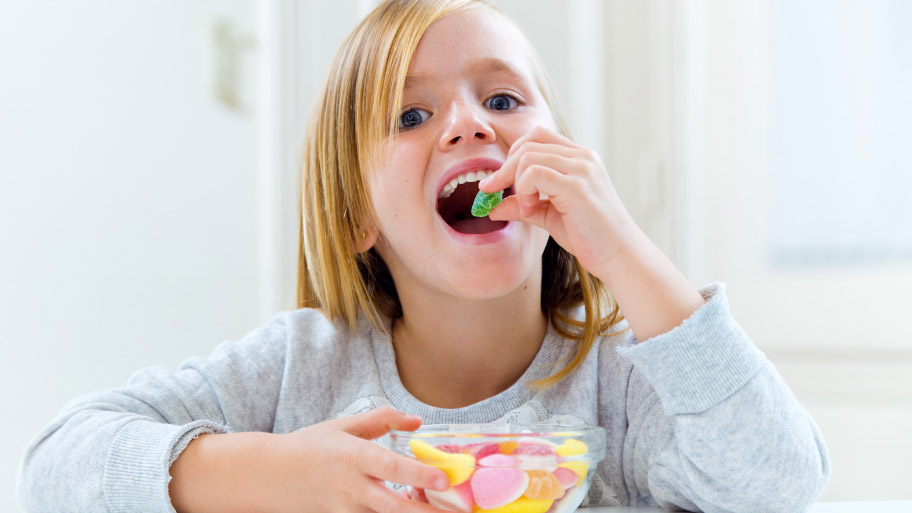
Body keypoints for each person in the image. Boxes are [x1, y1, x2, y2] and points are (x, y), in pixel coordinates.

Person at [17, 1, 831, 512]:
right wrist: (278, 476)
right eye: (411, 115)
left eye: (504, 99)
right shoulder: (300, 370)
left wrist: (622, 246)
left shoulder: (620, 385)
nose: (470, 124)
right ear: (355, 218)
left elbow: (778, 483)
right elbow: (54, 470)